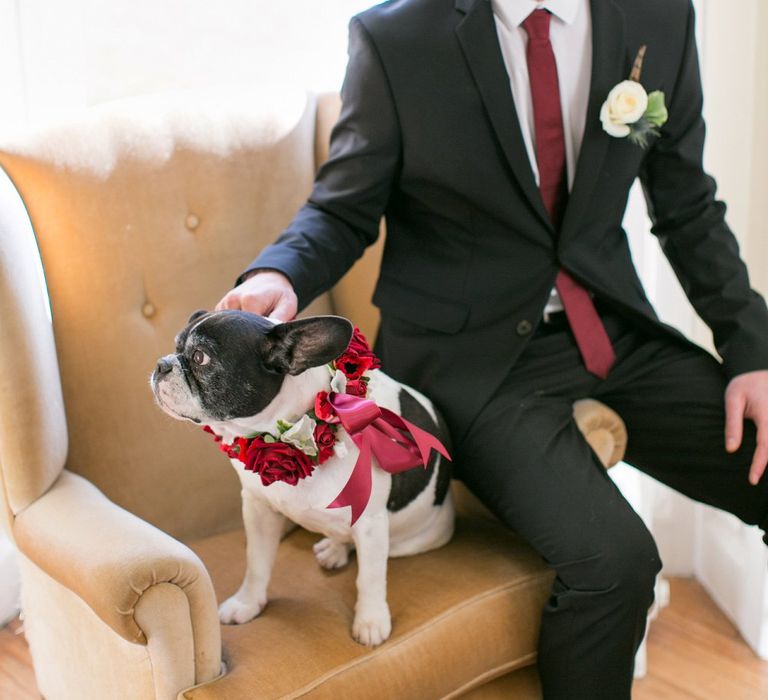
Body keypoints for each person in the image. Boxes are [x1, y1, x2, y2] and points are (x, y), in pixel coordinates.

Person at [216, 0, 768, 697]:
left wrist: (752, 350)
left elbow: (687, 202)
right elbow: (342, 206)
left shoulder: (656, 15)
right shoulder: (395, 37)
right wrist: (279, 273)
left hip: (610, 326)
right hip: (470, 363)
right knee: (615, 564)